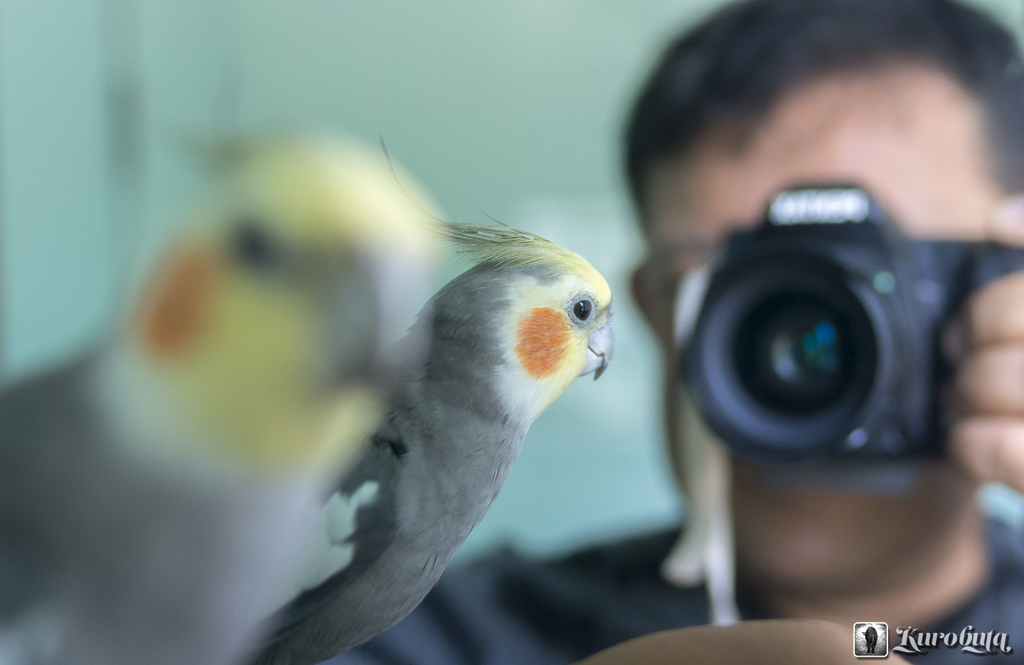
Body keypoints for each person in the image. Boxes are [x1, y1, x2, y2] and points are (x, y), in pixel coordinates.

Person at [329, 1, 1024, 662]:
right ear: (655, 310)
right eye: (726, 281)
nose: (805, 334)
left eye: (877, 275)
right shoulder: (406, 612)